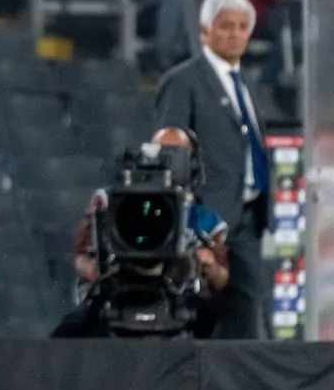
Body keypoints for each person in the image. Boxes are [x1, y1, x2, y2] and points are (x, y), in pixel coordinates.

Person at [155, 0, 270, 339]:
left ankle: (243, 388)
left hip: (248, 215)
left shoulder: (247, 83)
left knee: (245, 312)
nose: (235, 34)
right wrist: (190, 221)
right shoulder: (183, 81)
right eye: (225, 26)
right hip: (205, 219)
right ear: (205, 31)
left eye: (242, 27)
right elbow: (168, 153)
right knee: (201, 315)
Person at [53, 127, 229, 338]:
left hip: (175, 297)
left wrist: (207, 265)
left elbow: (221, 277)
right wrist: (96, 271)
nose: (167, 160)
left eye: (175, 155)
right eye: (161, 152)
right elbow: (81, 254)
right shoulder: (112, 201)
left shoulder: (205, 221)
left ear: (190, 164)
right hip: (117, 290)